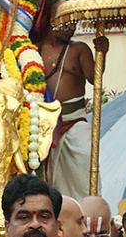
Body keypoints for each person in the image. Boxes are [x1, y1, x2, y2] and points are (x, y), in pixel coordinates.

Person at [37, 12, 108, 200]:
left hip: (75, 122)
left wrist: (102, 53)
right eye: (67, 22)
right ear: (52, 20)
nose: (72, 27)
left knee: (85, 171)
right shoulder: (34, 51)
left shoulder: (79, 49)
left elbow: (95, 79)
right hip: (46, 126)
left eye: (74, 23)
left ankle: (88, 212)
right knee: (52, 182)